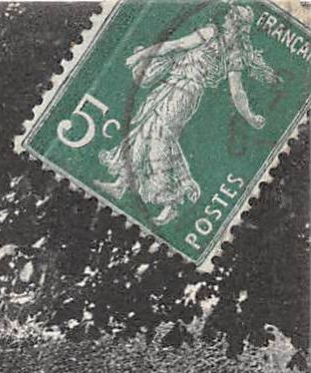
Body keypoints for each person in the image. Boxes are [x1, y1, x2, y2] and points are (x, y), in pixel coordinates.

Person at [96, 3, 279, 226]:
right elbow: (178, 47)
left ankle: (171, 201)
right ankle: (122, 182)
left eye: (231, 15)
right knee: (146, 129)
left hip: (185, 93)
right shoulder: (226, 44)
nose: (226, 17)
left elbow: (235, 90)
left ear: (237, 23)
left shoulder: (224, 43)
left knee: (160, 138)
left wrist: (250, 116)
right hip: (173, 85)